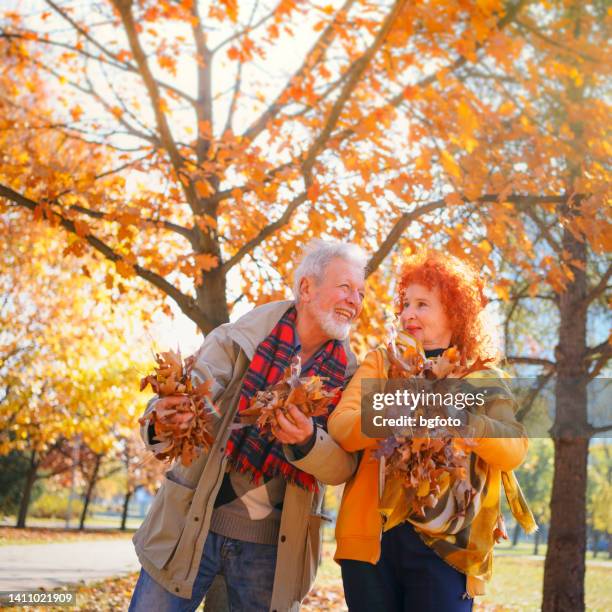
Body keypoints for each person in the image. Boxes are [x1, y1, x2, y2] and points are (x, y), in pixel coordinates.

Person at [129, 239, 367, 612]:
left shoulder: (351, 377)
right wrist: (167, 417)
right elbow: (192, 387)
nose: (355, 301)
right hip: (191, 526)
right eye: (346, 287)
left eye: (361, 293)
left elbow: (343, 467)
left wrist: (307, 442)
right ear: (307, 288)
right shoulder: (238, 340)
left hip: (271, 551)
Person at [328, 251, 536, 612]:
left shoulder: (482, 377)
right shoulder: (381, 362)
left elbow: (515, 448)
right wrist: (399, 407)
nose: (408, 313)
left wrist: (467, 423)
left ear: (456, 312)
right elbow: (342, 427)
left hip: (449, 553)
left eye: (422, 304)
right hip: (373, 544)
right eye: (406, 303)